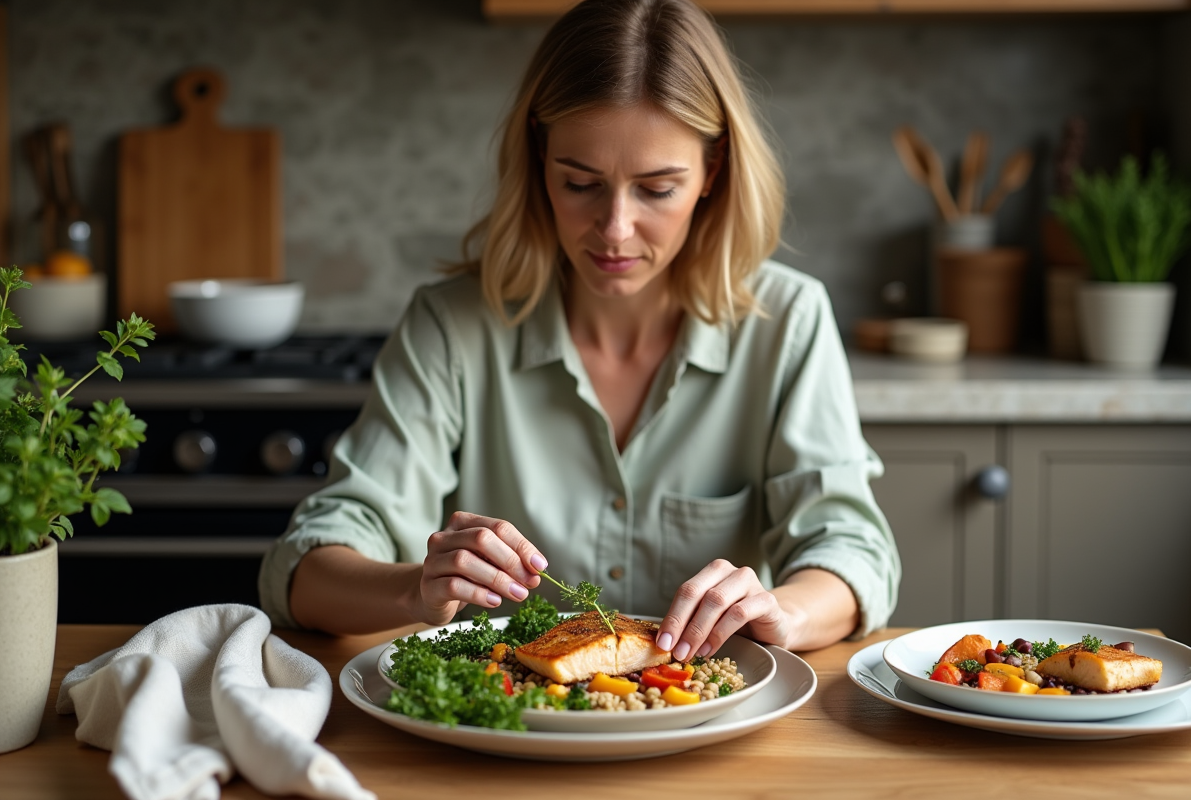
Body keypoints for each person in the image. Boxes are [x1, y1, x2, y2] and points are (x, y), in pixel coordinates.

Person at [259, 0, 900, 659]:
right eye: (580, 183)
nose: (615, 229)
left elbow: (851, 549)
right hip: (504, 716)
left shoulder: (788, 321)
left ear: (713, 172)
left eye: (657, 189)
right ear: (540, 160)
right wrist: (415, 591)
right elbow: (303, 570)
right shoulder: (450, 326)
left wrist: (784, 612)